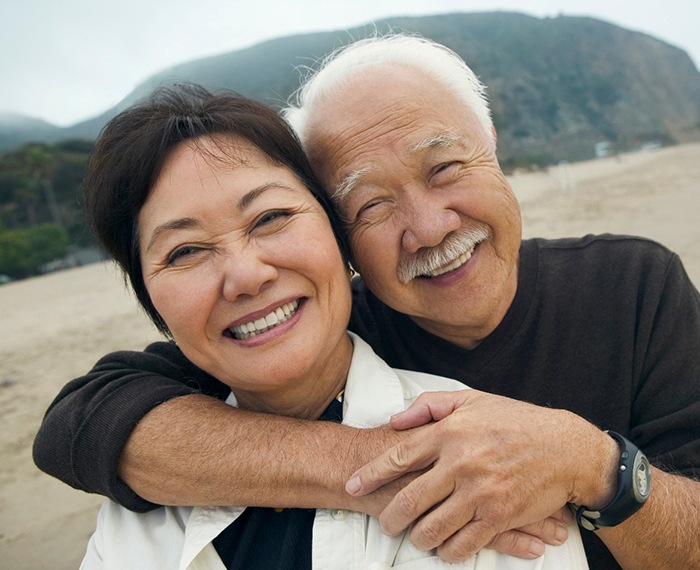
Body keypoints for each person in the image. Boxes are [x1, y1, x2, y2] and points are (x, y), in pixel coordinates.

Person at [34, 35, 700, 569]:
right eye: (371, 203)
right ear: (340, 237)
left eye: (444, 169)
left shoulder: (631, 284)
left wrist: (593, 465)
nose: (432, 227)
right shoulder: (311, 331)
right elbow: (83, 419)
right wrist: (383, 465)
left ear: (492, 148)